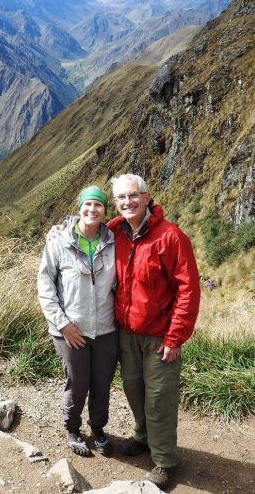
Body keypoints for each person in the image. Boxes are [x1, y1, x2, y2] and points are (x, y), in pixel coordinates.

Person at [107, 174, 200, 489]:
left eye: (133, 196)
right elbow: (84, 237)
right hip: (126, 332)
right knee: (134, 390)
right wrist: (60, 231)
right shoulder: (114, 231)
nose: (127, 202)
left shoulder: (171, 237)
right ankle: (143, 438)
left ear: (147, 198)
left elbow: (188, 290)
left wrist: (175, 337)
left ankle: (164, 461)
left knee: (159, 398)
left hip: (160, 336)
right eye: (121, 198)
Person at [37, 186, 119, 457]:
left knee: (102, 384)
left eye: (98, 205)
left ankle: (98, 429)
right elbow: (45, 284)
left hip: (106, 328)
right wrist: (62, 324)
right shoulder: (59, 240)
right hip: (70, 329)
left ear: (105, 211)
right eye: (88, 204)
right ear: (79, 206)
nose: (92, 210)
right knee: (77, 382)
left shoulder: (114, 241)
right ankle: (72, 429)